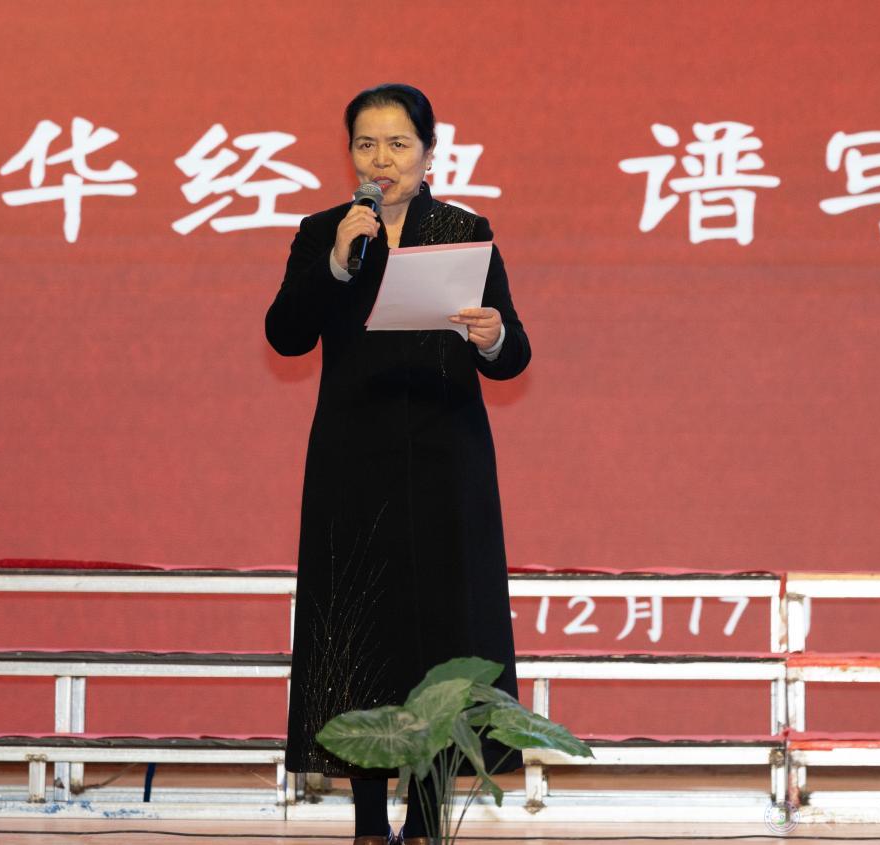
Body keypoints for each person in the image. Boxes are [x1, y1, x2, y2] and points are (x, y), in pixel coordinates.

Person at [265, 83, 531, 845]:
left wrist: (490, 337)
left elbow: (513, 352)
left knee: (440, 632)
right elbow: (284, 333)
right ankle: (365, 818)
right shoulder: (325, 231)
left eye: (397, 144)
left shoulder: (462, 231)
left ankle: (424, 817)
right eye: (365, 144)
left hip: (445, 457)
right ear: (349, 152)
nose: (380, 159)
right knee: (359, 628)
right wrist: (335, 266)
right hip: (353, 458)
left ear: (428, 152)